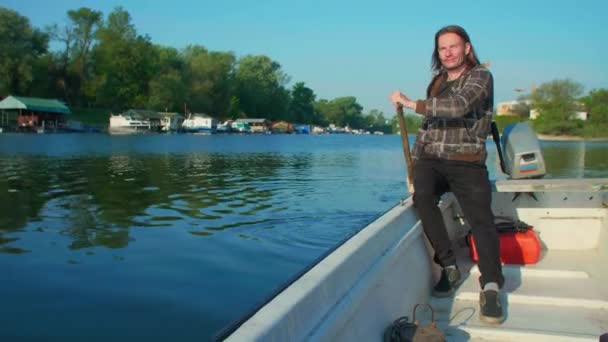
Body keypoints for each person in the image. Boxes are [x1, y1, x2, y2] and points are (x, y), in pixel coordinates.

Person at [389, 25, 505, 324]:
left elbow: (459, 106)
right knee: (422, 197)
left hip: (467, 161)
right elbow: (426, 129)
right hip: (432, 160)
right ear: (437, 53)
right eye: (443, 48)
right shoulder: (437, 82)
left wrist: (412, 103)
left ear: (467, 48)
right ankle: (449, 267)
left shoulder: (480, 76)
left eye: (454, 46)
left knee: (481, 219)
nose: (448, 52)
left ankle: (491, 285)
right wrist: (413, 170)